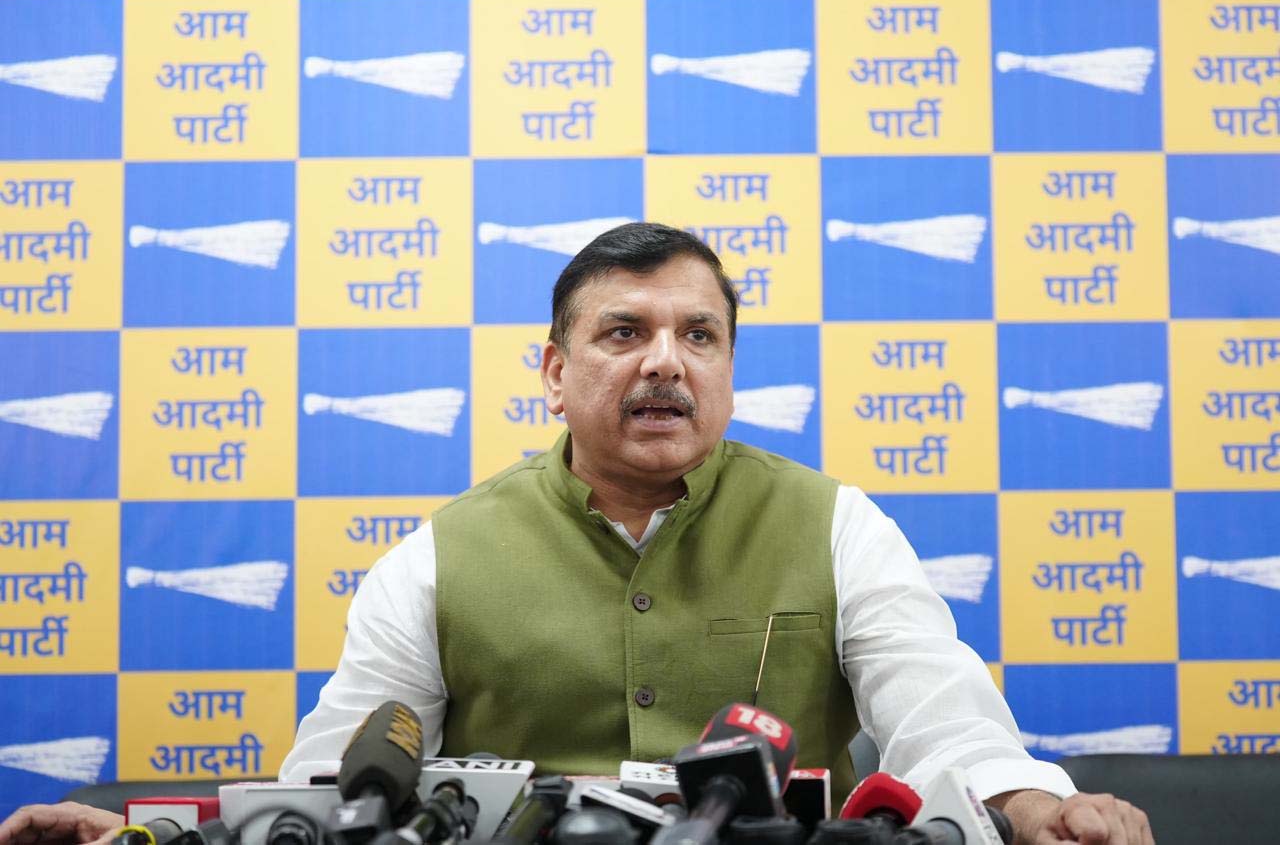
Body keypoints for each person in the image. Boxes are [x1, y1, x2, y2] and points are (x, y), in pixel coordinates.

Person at [0, 224, 1152, 845]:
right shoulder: (438, 556)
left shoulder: (836, 525)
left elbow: (937, 712)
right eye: (622, 332)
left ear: (728, 370)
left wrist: (1021, 802)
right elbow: (337, 786)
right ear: (554, 372)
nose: (664, 362)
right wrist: (145, 843)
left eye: (698, 335)